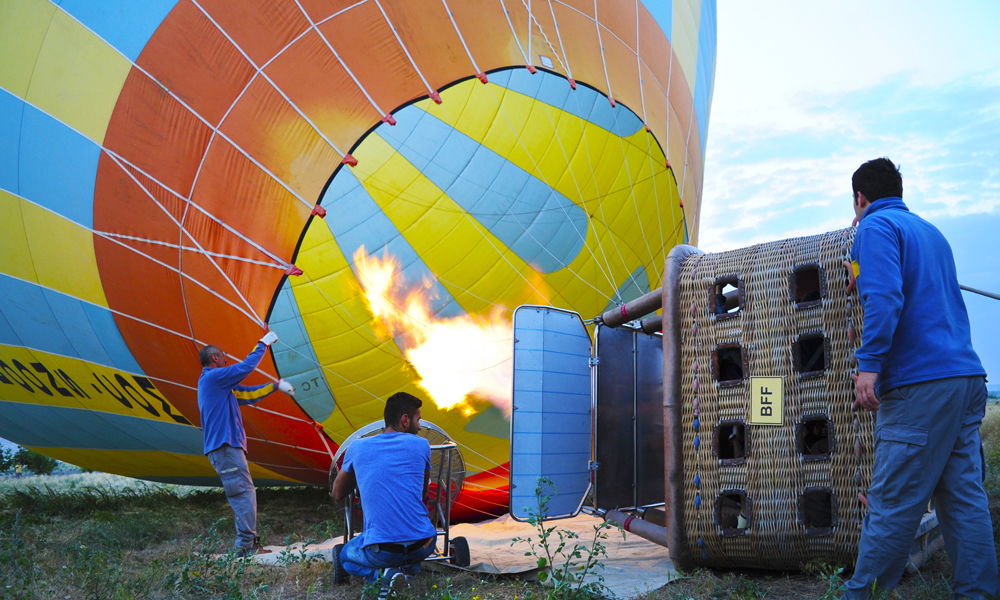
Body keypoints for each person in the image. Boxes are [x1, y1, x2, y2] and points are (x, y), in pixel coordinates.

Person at [843, 158, 996, 599]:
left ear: (859, 198)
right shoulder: (931, 233)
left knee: (892, 503)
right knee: (963, 498)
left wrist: (868, 365)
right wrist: (864, 270)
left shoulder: (873, 229)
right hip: (966, 378)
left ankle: (861, 595)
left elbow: (886, 298)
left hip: (920, 386)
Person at [198, 331, 295, 558]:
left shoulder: (219, 387)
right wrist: (264, 343)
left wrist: (275, 386)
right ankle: (245, 548)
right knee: (243, 494)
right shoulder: (214, 377)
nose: (226, 361)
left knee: (245, 493)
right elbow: (245, 367)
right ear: (215, 359)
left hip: (226, 448)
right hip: (225, 448)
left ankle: (247, 544)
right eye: (223, 357)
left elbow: (247, 395)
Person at [331, 392, 437, 583]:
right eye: (418, 420)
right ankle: (408, 572)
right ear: (405, 420)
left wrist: (361, 475)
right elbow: (422, 493)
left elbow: (337, 493)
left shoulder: (357, 447)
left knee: (345, 557)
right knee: (413, 536)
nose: (420, 427)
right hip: (423, 545)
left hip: (383, 551)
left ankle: (383, 576)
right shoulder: (422, 445)